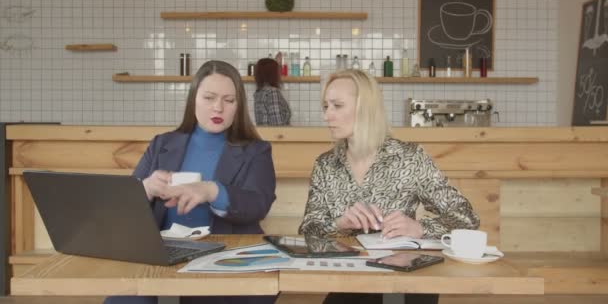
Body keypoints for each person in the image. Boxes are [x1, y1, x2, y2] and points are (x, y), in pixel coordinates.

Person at [298, 69, 480, 304]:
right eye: (325, 106)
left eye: (337, 106)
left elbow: (467, 218)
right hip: (349, 282)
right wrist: (340, 224)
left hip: (402, 284)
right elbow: (308, 232)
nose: (327, 116)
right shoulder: (325, 164)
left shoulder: (410, 157)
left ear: (366, 108)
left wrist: (419, 228)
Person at [104, 60, 277, 304]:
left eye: (229, 100)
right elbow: (124, 208)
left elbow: (259, 203)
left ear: (238, 107)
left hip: (223, 255)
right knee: (125, 298)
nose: (218, 108)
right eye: (209, 98)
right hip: (161, 251)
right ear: (193, 99)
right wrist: (146, 188)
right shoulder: (161, 144)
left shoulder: (256, 151)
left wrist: (212, 191)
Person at [253, 58, 291, 126]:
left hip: (265, 135)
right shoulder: (272, 92)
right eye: (278, 71)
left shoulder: (259, 93)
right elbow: (278, 125)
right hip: (274, 136)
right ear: (273, 74)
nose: (280, 74)